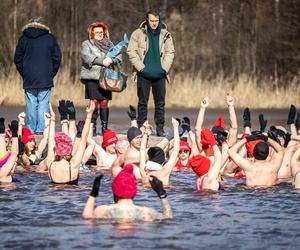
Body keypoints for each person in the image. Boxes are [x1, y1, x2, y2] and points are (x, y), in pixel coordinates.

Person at [127, 9, 175, 136]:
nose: (154, 23)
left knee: (160, 103)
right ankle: (142, 126)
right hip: (143, 74)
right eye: (152, 21)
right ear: (147, 20)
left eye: (156, 21)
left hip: (160, 75)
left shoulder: (166, 34)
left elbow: (171, 52)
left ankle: (160, 128)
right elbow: (131, 51)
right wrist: (140, 68)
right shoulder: (137, 33)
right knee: (142, 102)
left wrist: (164, 69)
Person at [14, 16, 62, 134]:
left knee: (31, 103)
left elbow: (17, 59)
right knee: (43, 103)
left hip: (29, 77)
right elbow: (57, 58)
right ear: (43, 25)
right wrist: (51, 72)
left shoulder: (23, 39)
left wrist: (24, 73)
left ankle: (30, 130)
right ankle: (41, 130)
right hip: (45, 76)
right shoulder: (50, 38)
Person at [82, 163, 173, 221]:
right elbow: (168, 218)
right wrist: (161, 194)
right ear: (134, 192)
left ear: (114, 191)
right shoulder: (147, 213)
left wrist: (93, 193)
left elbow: (86, 217)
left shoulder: (102, 210)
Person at [80, 22, 121, 136]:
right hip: (91, 77)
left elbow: (119, 56)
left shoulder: (110, 44)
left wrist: (112, 60)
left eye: (101, 32)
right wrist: (101, 61)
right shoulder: (86, 44)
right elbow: (86, 56)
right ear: (92, 33)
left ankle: (104, 129)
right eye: (97, 32)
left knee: (104, 102)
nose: (99, 34)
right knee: (94, 102)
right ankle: (92, 127)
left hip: (106, 78)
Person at [45, 100, 95, 184]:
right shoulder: (74, 164)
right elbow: (83, 140)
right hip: (72, 195)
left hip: (52, 195)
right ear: (69, 150)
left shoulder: (50, 164)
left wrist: (52, 119)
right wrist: (89, 116)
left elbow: (50, 142)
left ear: (57, 149)